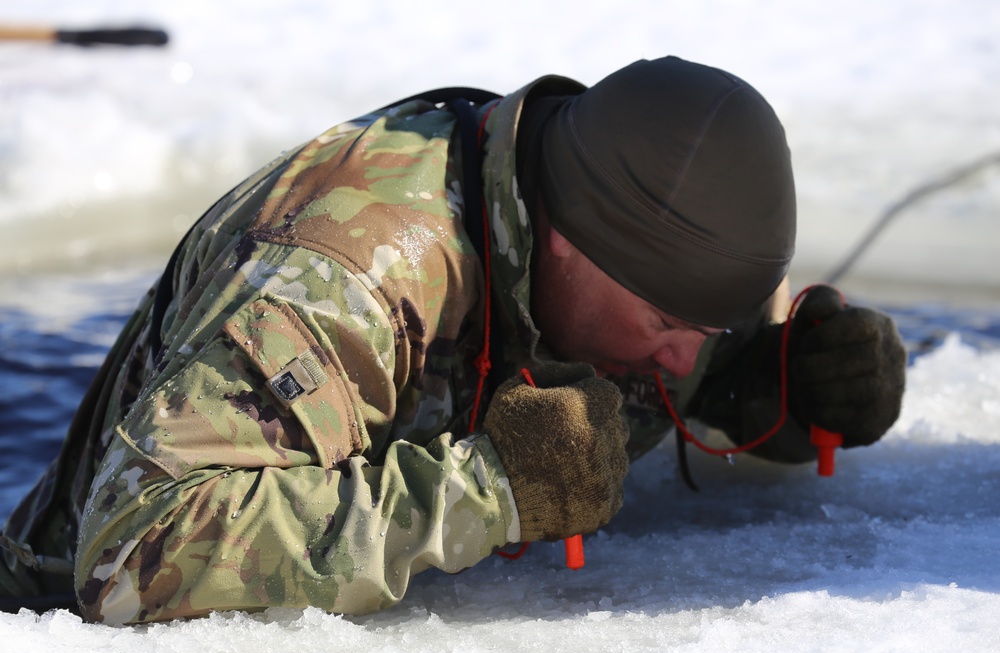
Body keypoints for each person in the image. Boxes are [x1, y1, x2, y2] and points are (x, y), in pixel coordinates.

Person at [0, 56, 906, 623]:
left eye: (702, 330)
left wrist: (783, 386)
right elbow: (127, 553)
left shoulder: (618, 248)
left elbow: (689, 363)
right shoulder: (351, 272)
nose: (681, 354)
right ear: (567, 240)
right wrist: (486, 491)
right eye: (670, 326)